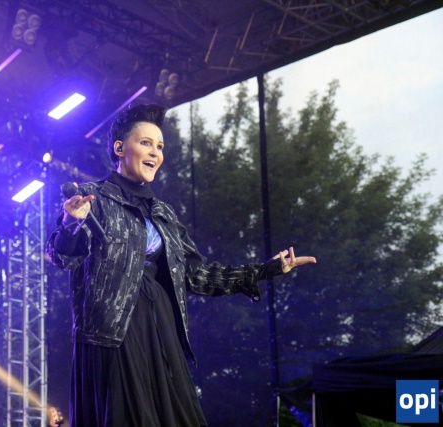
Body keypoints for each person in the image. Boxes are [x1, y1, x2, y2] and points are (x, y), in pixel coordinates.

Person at [45, 104, 316, 427]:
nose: (155, 152)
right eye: (145, 143)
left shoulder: (163, 213)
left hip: (161, 328)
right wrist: (71, 222)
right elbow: (62, 256)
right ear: (119, 148)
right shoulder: (93, 198)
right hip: (113, 333)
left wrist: (264, 270)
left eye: (160, 146)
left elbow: (198, 274)